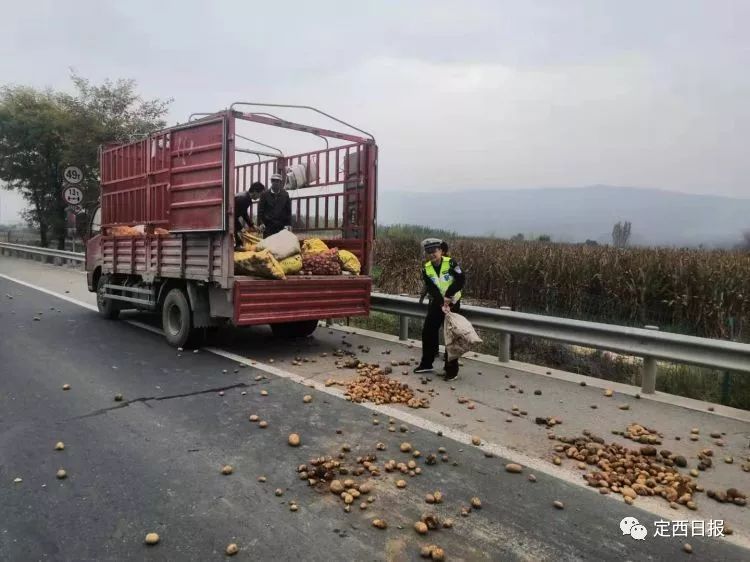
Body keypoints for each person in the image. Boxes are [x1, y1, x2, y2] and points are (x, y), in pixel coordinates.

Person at [414, 238, 466, 380]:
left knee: (450, 336)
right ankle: (426, 363)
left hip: (453, 302)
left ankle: (451, 371)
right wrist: (441, 302)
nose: (432, 254)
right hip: (438, 303)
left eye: (435, 251)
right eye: (428, 252)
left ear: (441, 251)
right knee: (428, 331)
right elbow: (431, 288)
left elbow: (461, 280)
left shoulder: (451, 263)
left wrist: (449, 296)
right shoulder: (426, 268)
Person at [257, 172, 292, 237]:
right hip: (268, 227)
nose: (276, 183)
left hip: (281, 226)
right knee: (268, 246)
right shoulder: (264, 195)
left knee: (281, 246)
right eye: (274, 181)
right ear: (271, 182)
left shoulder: (285, 195)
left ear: (280, 183)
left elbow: (288, 211)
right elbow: (260, 210)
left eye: (278, 181)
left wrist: (288, 224)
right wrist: (261, 223)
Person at [234, 182, 265, 249]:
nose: (259, 197)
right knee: (240, 231)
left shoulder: (246, 197)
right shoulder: (243, 199)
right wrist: (240, 228)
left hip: (229, 219)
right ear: (254, 191)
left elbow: (244, 213)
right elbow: (232, 217)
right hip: (224, 219)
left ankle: (238, 245)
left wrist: (252, 225)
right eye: (260, 194)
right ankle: (238, 245)